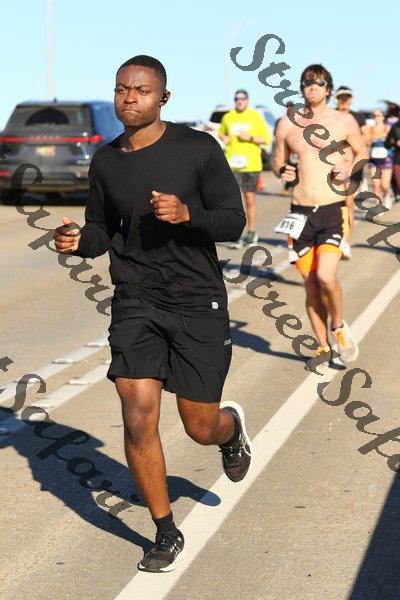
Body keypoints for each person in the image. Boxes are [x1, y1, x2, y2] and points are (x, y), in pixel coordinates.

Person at [53, 55, 252, 573]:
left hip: (197, 300)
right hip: (136, 299)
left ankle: (230, 430)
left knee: (199, 425)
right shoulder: (106, 161)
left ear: (163, 97)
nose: (129, 98)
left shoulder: (197, 148)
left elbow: (233, 221)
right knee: (137, 414)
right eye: (122, 89)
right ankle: (165, 531)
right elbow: (101, 230)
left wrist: (188, 215)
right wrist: (78, 241)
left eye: (141, 90)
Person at [273, 64, 368, 371]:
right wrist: (283, 171)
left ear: (328, 88)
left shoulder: (343, 121)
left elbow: (362, 152)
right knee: (312, 286)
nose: (312, 87)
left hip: (332, 210)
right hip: (300, 215)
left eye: (319, 83)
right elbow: (277, 163)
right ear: (301, 88)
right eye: (307, 83)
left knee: (326, 276)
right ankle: (322, 346)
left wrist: (349, 168)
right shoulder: (287, 124)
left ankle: (338, 326)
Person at [218, 89, 271, 248]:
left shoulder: (255, 116)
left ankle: (251, 232)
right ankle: (235, 233)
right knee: (233, 201)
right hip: (232, 164)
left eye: (242, 98)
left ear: (248, 100)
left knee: (249, 199)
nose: (239, 101)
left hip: (251, 164)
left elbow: (266, 139)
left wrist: (251, 138)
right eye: (237, 99)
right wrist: (224, 137)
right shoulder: (228, 117)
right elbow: (221, 132)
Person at [334, 86, 366, 258]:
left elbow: (367, 140)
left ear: (351, 100)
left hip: (352, 166)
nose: (344, 102)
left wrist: (353, 138)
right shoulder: (330, 116)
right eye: (341, 98)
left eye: (347, 98)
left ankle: (345, 242)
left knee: (348, 205)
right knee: (333, 206)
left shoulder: (357, 118)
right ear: (336, 99)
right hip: (332, 166)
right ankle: (332, 239)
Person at [362, 109, 393, 208]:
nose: (377, 118)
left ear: (383, 117)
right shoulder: (370, 129)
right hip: (374, 160)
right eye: (374, 116)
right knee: (376, 185)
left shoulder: (387, 128)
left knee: (384, 185)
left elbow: (393, 142)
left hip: (386, 160)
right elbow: (366, 144)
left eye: (379, 115)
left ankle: (387, 196)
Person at [385, 119, 400, 201]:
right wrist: (395, 143)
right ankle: (396, 194)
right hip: (398, 158)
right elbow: (386, 144)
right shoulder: (395, 127)